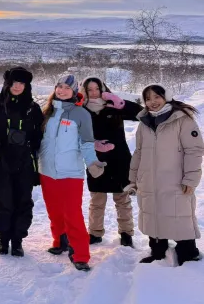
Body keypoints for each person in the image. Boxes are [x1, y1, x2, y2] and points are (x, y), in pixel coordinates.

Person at [127, 84, 203, 266]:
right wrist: (133, 178)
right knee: (153, 213)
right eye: (148, 99)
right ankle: (157, 250)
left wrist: (191, 179)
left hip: (175, 179)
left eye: (156, 97)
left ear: (166, 97)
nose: (152, 102)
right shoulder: (144, 122)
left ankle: (188, 252)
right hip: (148, 179)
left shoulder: (182, 119)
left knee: (180, 215)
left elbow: (194, 150)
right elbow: (138, 152)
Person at [39, 74, 106, 272]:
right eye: (59, 86)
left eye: (67, 88)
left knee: (72, 214)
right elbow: (40, 142)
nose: (62, 90)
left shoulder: (81, 114)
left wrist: (92, 162)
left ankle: (80, 254)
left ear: (74, 91)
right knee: (54, 211)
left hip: (70, 173)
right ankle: (60, 240)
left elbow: (86, 143)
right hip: (47, 171)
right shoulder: (47, 112)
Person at [0, 67, 44, 257]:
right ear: (7, 83)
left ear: (26, 85)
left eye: (21, 83)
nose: (17, 86)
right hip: (1, 161)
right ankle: (3, 239)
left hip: (25, 162)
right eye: (14, 82)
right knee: (3, 202)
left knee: (23, 202)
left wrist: (38, 164)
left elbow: (40, 137)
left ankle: (17, 241)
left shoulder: (33, 108)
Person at [82, 77, 143, 247]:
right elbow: (76, 134)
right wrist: (92, 144)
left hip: (119, 159)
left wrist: (122, 103)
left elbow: (141, 114)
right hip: (95, 160)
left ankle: (126, 233)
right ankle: (95, 233)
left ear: (103, 90)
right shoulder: (82, 110)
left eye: (97, 89)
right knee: (97, 200)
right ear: (85, 92)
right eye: (90, 90)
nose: (94, 93)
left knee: (122, 198)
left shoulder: (114, 107)